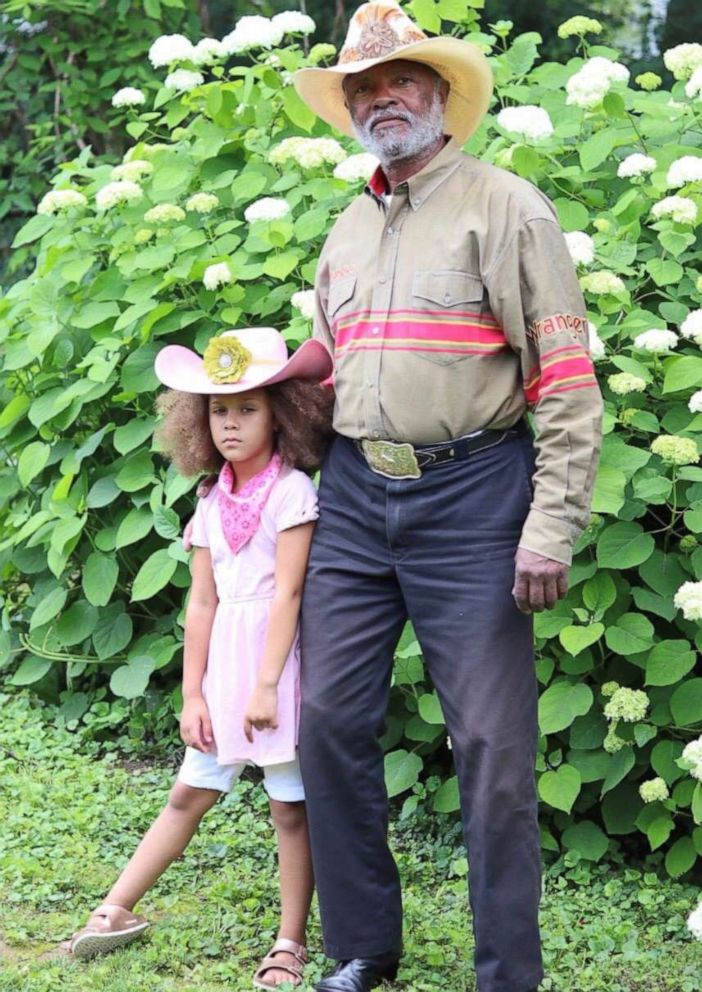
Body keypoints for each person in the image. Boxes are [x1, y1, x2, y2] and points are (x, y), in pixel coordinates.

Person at [293, 3, 604, 992]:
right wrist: (259, 381)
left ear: (441, 97)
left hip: (474, 495)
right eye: (363, 88)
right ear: (349, 108)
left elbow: (563, 376)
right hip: (351, 494)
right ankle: (363, 946)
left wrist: (550, 523)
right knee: (330, 718)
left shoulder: (508, 207)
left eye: (400, 80)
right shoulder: (345, 224)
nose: (381, 98)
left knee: (493, 747)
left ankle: (508, 974)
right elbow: (338, 357)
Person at [68, 326, 333, 991]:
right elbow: (203, 605)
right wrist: (193, 694)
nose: (232, 424)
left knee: (288, 809)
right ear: (199, 420)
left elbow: (290, 595)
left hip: (277, 669)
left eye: (248, 408)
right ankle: (114, 908)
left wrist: (269, 685)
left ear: (283, 412)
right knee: (189, 792)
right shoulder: (211, 502)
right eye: (219, 410)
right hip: (222, 673)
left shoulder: (292, 493)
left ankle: (289, 940)